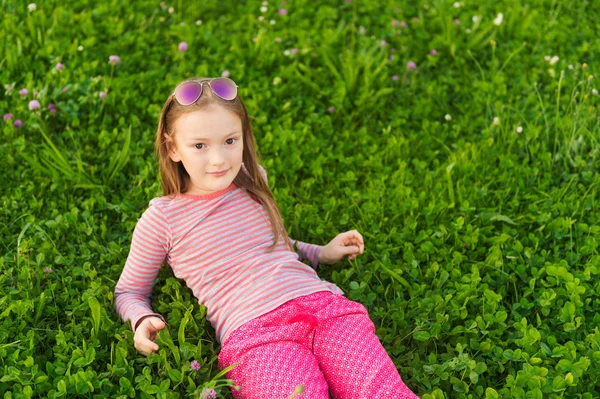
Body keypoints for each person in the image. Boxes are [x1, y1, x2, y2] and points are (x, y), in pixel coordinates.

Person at [113, 76, 420, 399]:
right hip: (256, 334)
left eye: (230, 141)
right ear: (173, 148)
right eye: (200, 146)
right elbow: (129, 290)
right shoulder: (163, 218)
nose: (218, 159)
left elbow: (273, 242)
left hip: (324, 308)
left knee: (382, 393)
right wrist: (141, 318)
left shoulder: (253, 180)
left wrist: (321, 253)